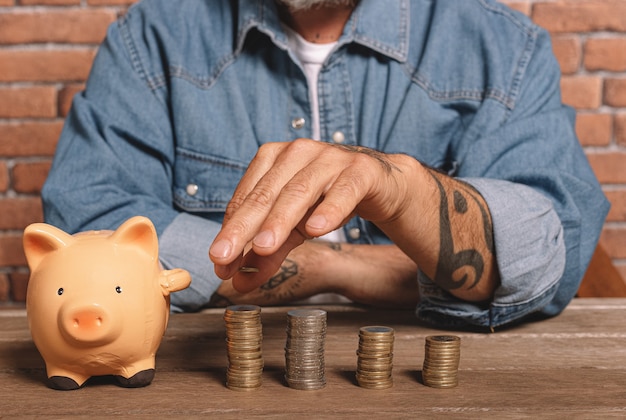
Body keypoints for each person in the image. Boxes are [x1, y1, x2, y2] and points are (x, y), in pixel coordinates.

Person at [42, 0, 610, 330]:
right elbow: (88, 225)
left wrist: (407, 194)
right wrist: (336, 267)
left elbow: (547, 254)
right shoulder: (151, 38)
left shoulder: (503, 47)